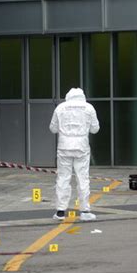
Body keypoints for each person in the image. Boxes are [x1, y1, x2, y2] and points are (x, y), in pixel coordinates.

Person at [49, 88, 100, 221]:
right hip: (81, 147)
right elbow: (95, 129)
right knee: (83, 178)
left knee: (63, 178)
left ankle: (60, 212)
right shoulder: (89, 108)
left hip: (64, 146)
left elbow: (53, 128)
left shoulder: (60, 108)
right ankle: (84, 211)